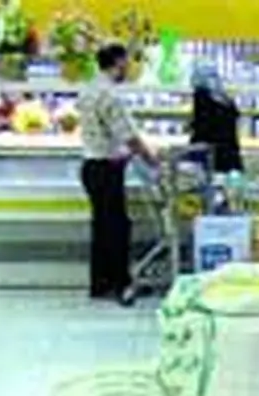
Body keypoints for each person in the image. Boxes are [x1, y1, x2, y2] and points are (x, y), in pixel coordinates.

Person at [78, 43, 157, 304]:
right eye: (126, 62)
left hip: (91, 166)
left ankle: (100, 284)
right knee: (117, 228)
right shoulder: (110, 95)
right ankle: (121, 286)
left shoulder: (89, 89)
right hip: (106, 169)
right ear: (118, 62)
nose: (129, 67)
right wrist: (152, 160)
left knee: (102, 228)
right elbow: (129, 136)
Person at [190, 61, 244, 177]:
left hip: (211, 152)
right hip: (230, 153)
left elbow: (202, 124)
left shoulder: (201, 94)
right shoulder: (225, 97)